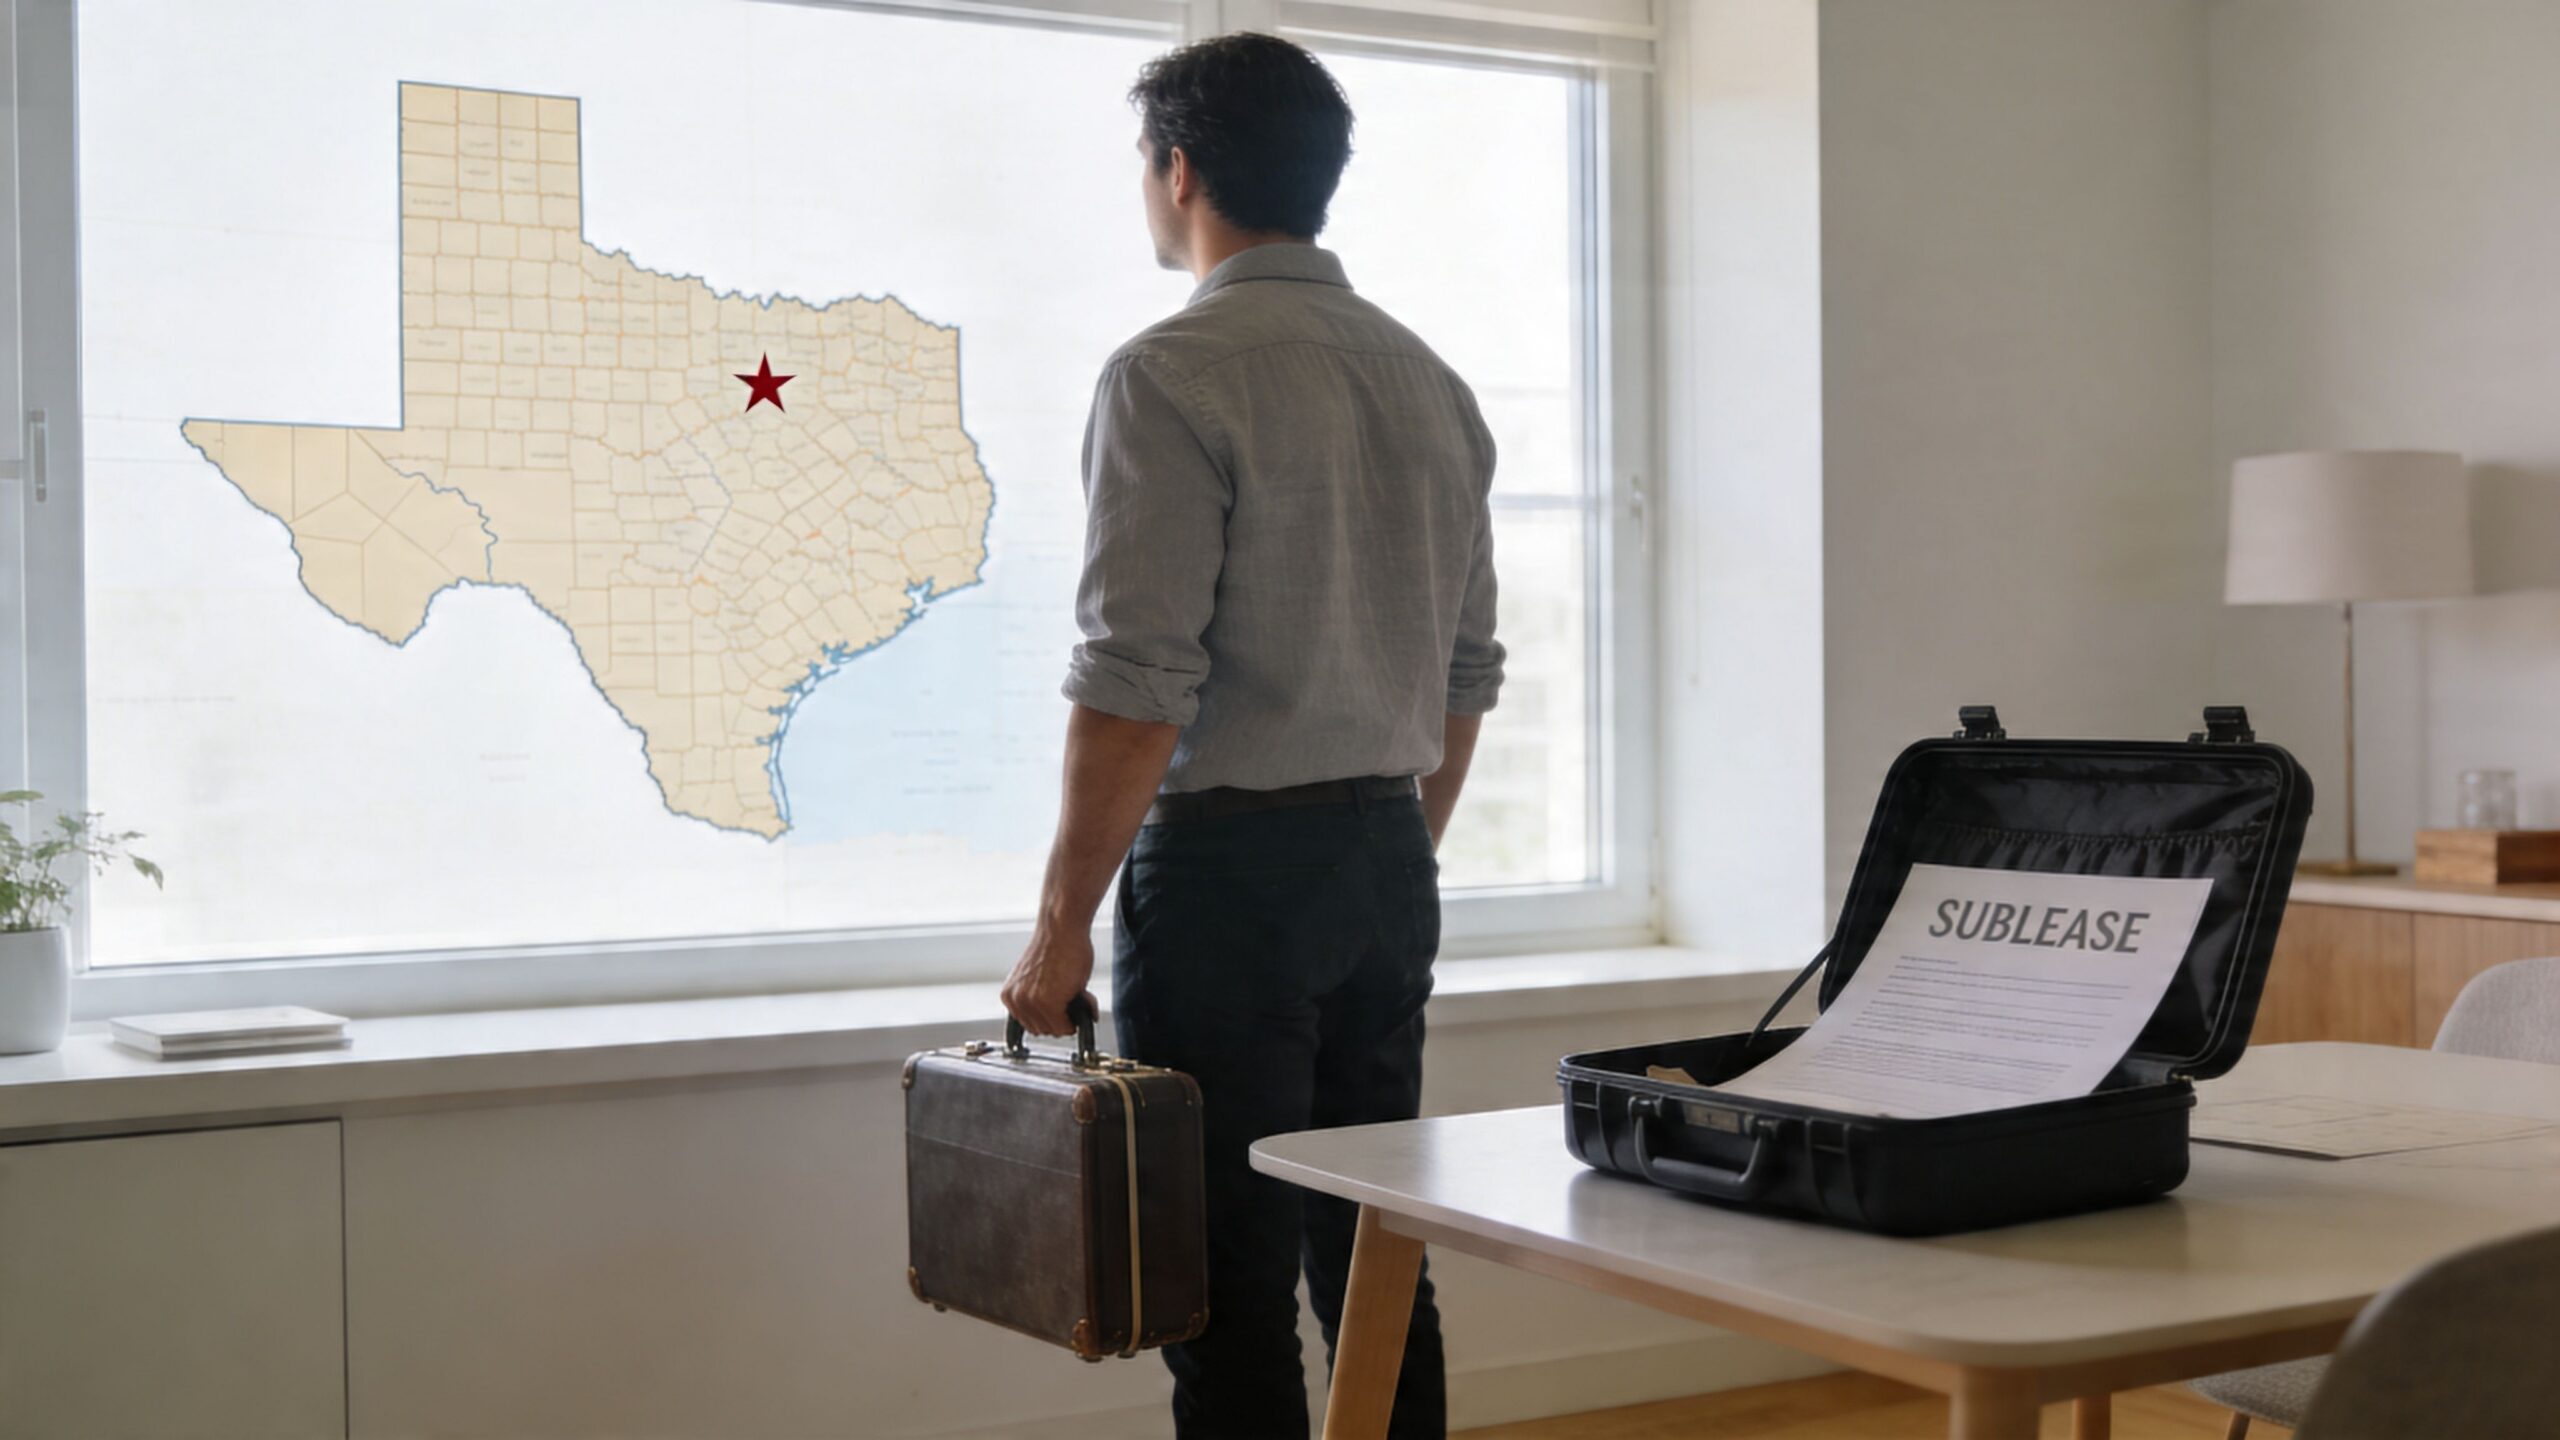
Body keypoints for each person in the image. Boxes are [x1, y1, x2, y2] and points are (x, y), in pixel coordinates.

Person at [999, 31, 1502, 1440]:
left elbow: (1135, 678)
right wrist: (1395, 844)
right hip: (1386, 864)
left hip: (1226, 878)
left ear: (1179, 170)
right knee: (1373, 1244)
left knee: (1220, 1273)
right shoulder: (1432, 383)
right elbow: (1469, 674)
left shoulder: (1171, 373)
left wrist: (1057, 934)